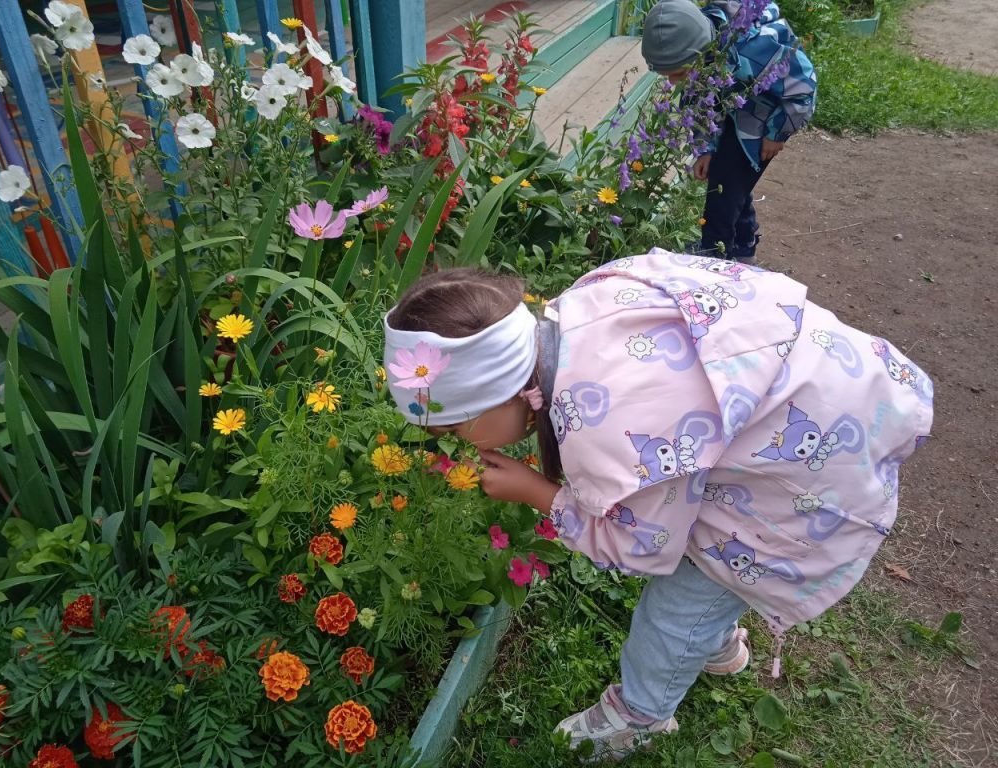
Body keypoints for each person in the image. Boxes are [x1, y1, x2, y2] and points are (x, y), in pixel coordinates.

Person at [382, 252, 932, 761]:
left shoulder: (609, 428)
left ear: (501, 390)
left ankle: (641, 713)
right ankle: (716, 645)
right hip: (824, 397)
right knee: (703, 591)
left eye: (456, 425)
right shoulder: (579, 314)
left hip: (803, 484)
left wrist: (540, 493)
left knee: (677, 608)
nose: (459, 442)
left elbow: (642, 545)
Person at [641, 0, 817, 262]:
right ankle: (743, 249)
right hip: (733, 113)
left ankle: (714, 255)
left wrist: (777, 132)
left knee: (723, 193)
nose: (672, 83)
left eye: (678, 74)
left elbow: (804, 87)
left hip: (761, 124)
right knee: (735, 187)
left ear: (698, 53)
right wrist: (705, 148)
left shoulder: (754, 51)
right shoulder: (701, 51)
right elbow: (698, 104)